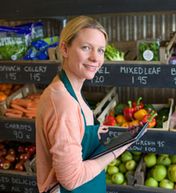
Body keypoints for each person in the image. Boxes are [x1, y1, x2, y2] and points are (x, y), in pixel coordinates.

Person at [36, 15, 131, 193]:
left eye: (101, 50)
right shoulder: (63, 102)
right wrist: (116, 150)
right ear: (64, 49)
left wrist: (93, 132)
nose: (96, 58)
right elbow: (72, 180)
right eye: (86, 48)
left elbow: (71, 132)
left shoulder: (69, 88)